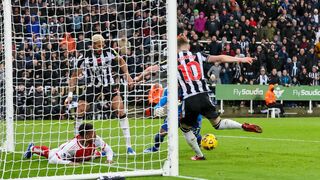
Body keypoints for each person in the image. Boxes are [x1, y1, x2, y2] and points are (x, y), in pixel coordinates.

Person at [176, 35, 262, 160]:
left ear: (176, 47)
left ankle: (199, 155)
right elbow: (221, 57)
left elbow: (154, 68)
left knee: (184, 128)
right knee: (218, 123)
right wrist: (241, 60)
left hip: (189, 98)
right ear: (188, 46)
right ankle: (242, 126)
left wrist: (139, 78)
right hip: (204, 95)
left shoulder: (174, 59)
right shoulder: (198, 55)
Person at [64, 34, 135, 155]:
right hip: (92, 86)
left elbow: (122, 62)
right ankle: (77, 142)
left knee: (120, 110)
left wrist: (127, 76)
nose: (101, 48)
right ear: (92, 45)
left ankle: (129, 146)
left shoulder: (109, 52)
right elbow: (74, 76)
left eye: (102, 45)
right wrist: (70, 94)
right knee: (80, 110)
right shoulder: (84, 57)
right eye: (98, 45)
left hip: (109, 85)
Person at [143, 88, 202, 154]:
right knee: (162, 132)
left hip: (191, 115)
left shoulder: (190, 87)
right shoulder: (169, 89)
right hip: (175, 115)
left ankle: (199, 145)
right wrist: (157, 107)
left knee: (194, 134)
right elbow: (164, 99)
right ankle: (156, 147)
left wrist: (198, 117)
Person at [24, 123, 113, 165]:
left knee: (97, 154)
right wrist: (69, 163)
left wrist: (109, 159)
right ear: (85, 136)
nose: (94, 135)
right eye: (91, 133)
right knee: (50, 154)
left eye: (94, 132)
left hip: (85, 154)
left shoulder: (95, 139)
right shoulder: (72, 146)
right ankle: (32, 148)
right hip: (66, 154)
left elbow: (109, 149)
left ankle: (99, 153)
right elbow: (53, 161)